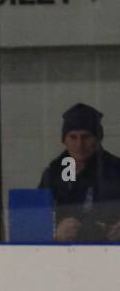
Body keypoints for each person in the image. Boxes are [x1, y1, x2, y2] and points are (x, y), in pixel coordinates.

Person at [36, 102, 120, 243]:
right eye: (73, 137)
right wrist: (55, 233)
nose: (79, 144)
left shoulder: (116, 170)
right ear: (64, 140)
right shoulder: (53, 174)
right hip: (61, 257)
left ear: (98, 138)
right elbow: (33, 221)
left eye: (86, 137)